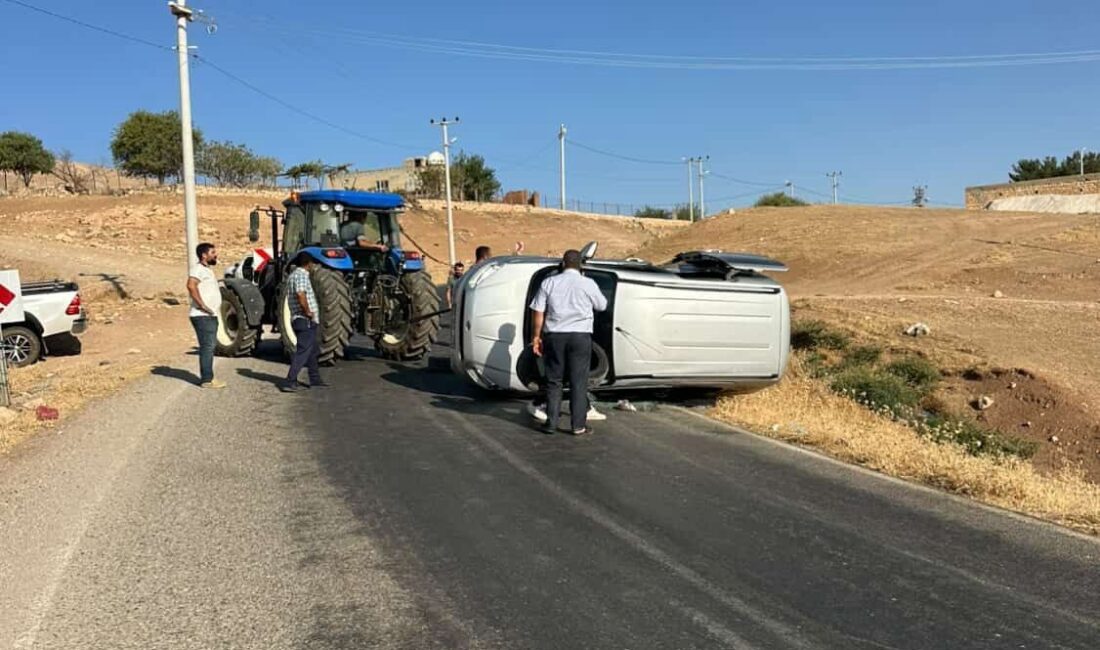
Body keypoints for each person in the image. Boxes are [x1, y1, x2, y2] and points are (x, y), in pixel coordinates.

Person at [529, 250, 608, 435]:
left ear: (563, 263)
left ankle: (551, 423)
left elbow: (538, 311)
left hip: (555, 336)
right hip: (580, 337)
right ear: (580, 265)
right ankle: (578, 425)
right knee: (578, 381)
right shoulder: (588, 283)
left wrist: (536, 336)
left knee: (553, 380)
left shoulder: (549, 282)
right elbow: (602, 305)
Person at [279, 252, 328, 393]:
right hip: (304, 319)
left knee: (312, 351)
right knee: (303, 352)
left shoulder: (293, 275)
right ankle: (289, 381)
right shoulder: (301, 275)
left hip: (302, 319)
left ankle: (315, 379)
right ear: (309, 263)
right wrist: (307, 311)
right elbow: (300, 294)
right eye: (313, 263)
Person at [186, 242, 225, 389]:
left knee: (209, 346)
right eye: (213, 252)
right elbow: (191, 285)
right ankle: (207, 380)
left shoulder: (207, 270)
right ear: (204, 255)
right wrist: (202, 305)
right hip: (202, 315)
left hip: (209, 315)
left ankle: (208, 377)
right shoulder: (198, 269)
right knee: (207, 347)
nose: (216, 255)